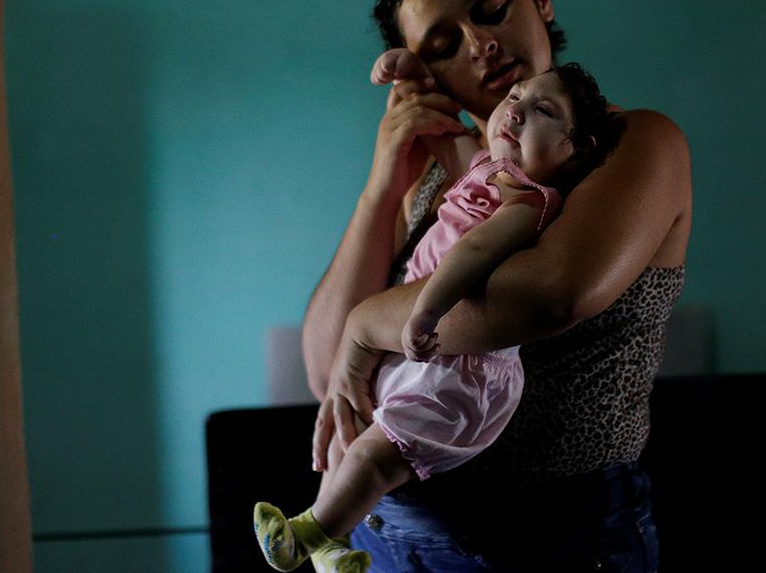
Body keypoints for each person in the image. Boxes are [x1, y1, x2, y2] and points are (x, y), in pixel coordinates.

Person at [301, 0, 693, 572]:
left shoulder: (633, 143)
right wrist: (383, 182)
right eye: (443, 44)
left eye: (490, 10)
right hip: (381, 535)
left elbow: (547, 294)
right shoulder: (434, 177)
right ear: (422, 70)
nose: (479, 45)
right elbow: (327, 378)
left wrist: (365, 326)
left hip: (553, 540)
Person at [254, 60, 623, 573]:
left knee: (370, 460)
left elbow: (471, 253)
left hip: (456, 367)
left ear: (574, 149)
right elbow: (448, 135)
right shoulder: (491, 169)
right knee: (354, 430)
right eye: (514, 98)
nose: (515, 111)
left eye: (542, 110)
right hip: (421, 345)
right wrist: (411, 70)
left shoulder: (529, 200)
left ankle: (305, 536)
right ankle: (329, 546)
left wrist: (424, 313)